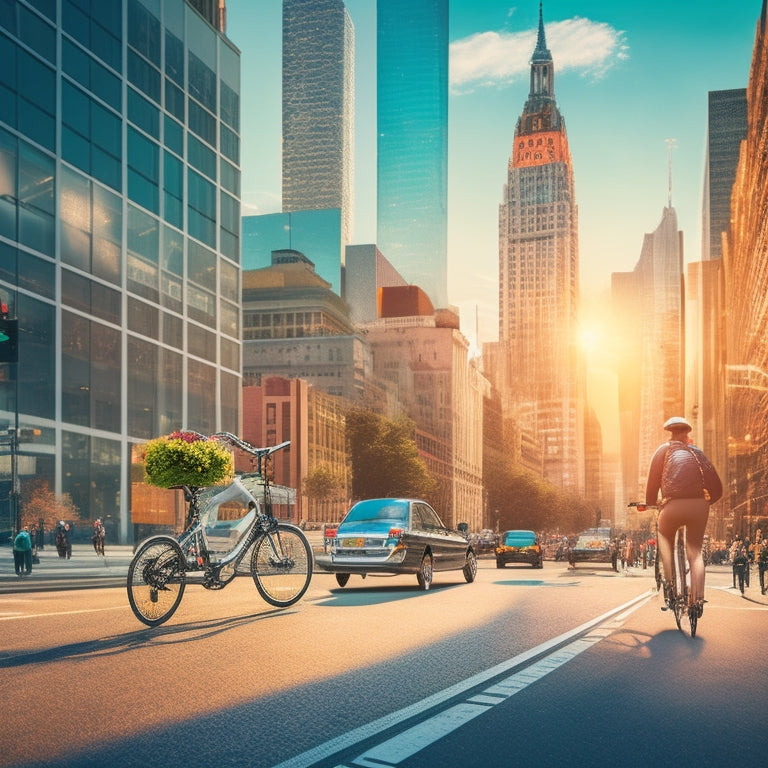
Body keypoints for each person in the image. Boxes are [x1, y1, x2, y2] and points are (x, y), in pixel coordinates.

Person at [645, 416, 722, 616]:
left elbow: (652, 486)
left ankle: (670, 589)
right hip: (699, 506)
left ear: (670, 433)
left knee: (665, 540)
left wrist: (653, 504)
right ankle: (697, 600)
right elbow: (717, 487)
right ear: (687, 434)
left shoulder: (662, 451)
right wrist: (706, 502)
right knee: (695, 553)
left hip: (671, 506)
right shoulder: (697, 453)